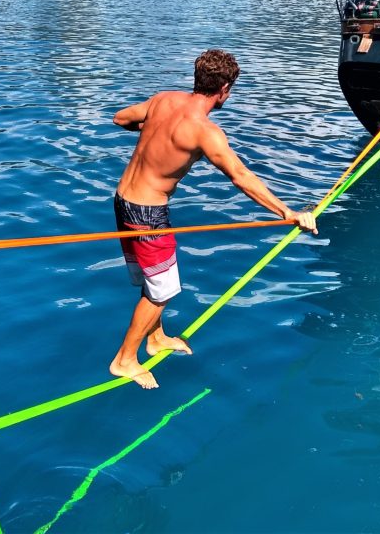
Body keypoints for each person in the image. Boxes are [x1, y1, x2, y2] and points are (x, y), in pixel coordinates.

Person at [109, 49, 318, 389]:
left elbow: (120, 118)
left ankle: (156, 338)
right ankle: (125, 360)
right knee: (162, 291)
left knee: (152, 280)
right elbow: (240, 176)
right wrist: (288, 212)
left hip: (122, 201)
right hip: (147, 214)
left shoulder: (164, 100)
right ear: (224, 89)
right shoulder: (205, 132)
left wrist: (155, 131)